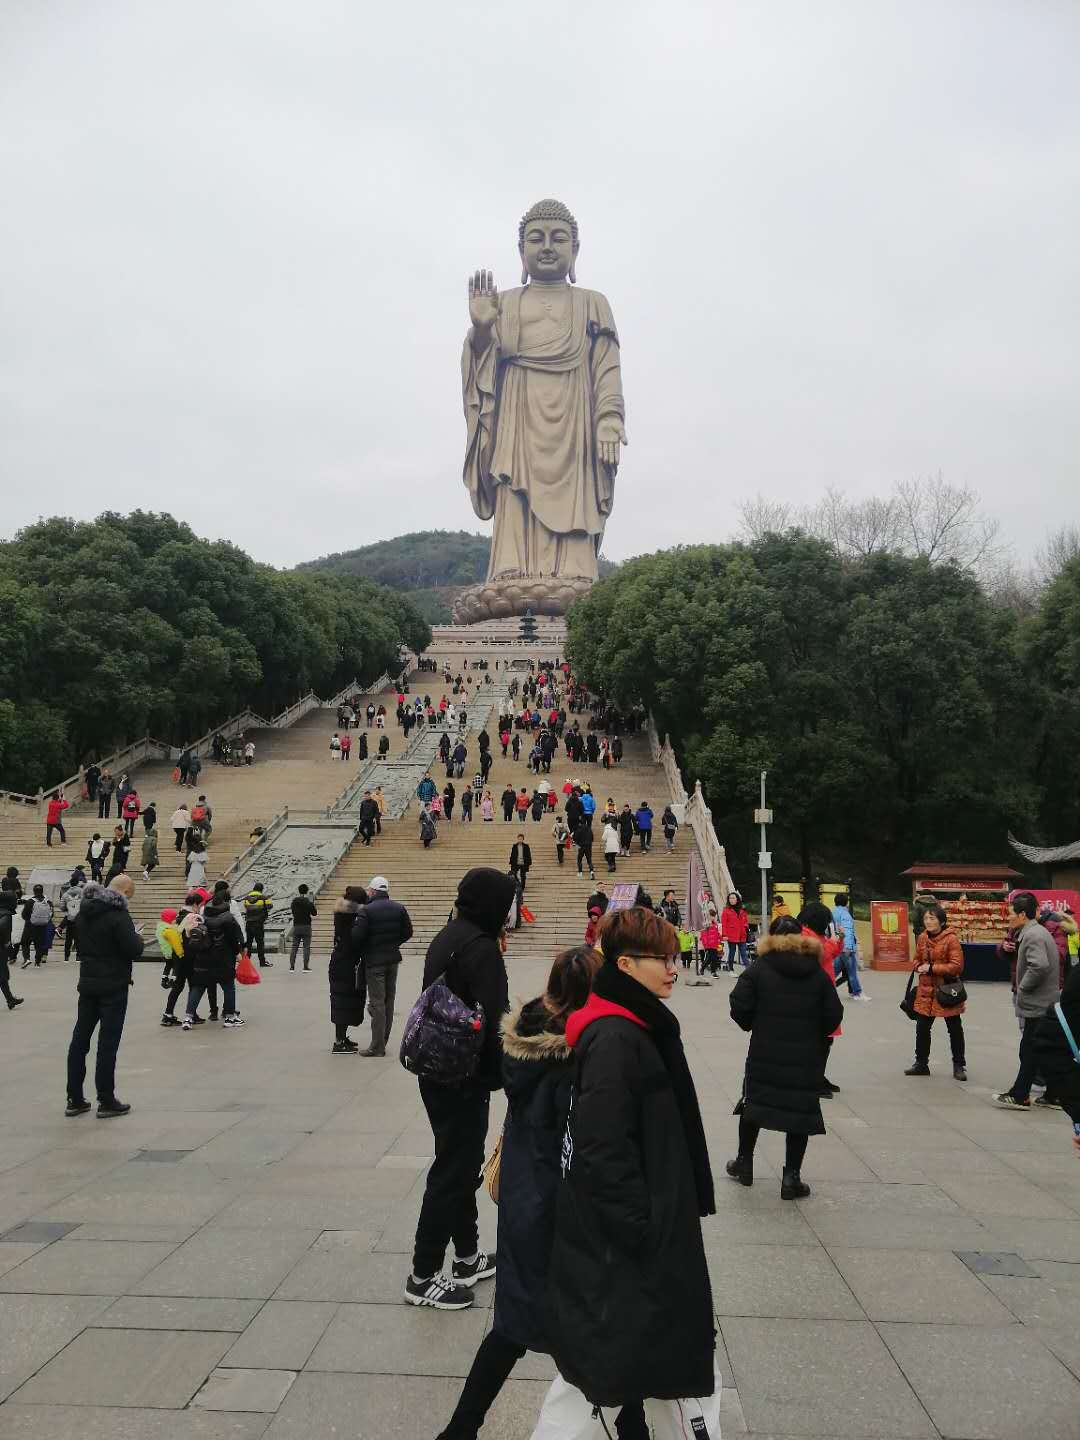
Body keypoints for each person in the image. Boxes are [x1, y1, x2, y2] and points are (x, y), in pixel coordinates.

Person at [544, 906, 716, 1418]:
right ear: (623, 966)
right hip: (631, 1239)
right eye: (660, 959)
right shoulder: (617, 1038)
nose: (673, 968)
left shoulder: (636, 1026)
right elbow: (603, 1148)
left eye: (674, 957)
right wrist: (642, 1229)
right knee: (610, 1369)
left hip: (641, 1227)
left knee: (617, 1371)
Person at [435, 946, 605, 1440]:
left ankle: (460, 1428)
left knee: (512, 1325)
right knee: (595, 1335)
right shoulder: (580, 1058)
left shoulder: (524, 1038)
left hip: (520, 1196)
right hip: (562, 1204)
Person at [406, 868, 517, 1310]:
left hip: (438, 1069)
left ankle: (468, 1257)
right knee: (453, 1169)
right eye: (506, 904)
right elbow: (495, 1020)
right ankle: (423, 1274)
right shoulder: (482, 949)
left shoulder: (449, 935)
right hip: (464, 1076)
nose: (509, 913)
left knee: (460, 1160)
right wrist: (510, 1079)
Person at [727, 914, 845, 1196]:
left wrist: (753, 1023)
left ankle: (744, 1163)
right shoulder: (816, 973)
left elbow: (739, 1003)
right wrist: (817, 1033)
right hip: (805, 1057)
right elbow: (833, 1013)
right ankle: (791, 1177)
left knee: (753, 1103)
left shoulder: (759, 968)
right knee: (799, 1111)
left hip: (765, 1052)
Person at [65, 875, 143, 1117]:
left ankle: (74, 1098)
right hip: (113, 983)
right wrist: (137, 936)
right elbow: (133, 949)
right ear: (125, 891)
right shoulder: (118, 915)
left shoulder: (84, 912)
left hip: (88, 982)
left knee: (80, 1040)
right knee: (107, 1044)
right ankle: (106, 1099)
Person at [993, 890, 1060, 1109]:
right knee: (1039, 1049)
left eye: (1011, 913)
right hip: (1043, 1003)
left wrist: (1023, 988)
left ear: (1022, 915)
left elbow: (1039, 966)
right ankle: (1054, 1094)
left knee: (1030, 1049)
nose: (1008, 917)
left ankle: (1020, 1094)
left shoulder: (1032, 935)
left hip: (1038, 1004)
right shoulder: (1035, 932)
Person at [904, 900, 967, 1081]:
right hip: (925, 990)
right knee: (922, 1028)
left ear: (941, 920)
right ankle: (921, 1063)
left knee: (954, 1028)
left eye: (932, 918)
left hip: (946, 990)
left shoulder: (951, 939)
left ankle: (959, 1065)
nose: (928, 922)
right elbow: (915, 959)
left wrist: (931, 968)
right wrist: (919, 966)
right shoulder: (923, 937)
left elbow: (956, 966)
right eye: (926, 919)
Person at [352, 876, 414, 1057]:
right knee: (389, 1001)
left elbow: (357, 936)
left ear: (372, 891)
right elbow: (408, 932)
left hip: (374, 962)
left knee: (377, 1002)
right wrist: (394, 943)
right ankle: (382, 1040)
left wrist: (367, 948)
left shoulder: (367, 910)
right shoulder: (399, 908)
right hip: (392, 959)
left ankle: (377, 1046)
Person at [182, 882, 246, 1030]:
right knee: (229, 987)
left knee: (197, 988)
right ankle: (230, 1017)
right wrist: (238, 953)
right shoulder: (228, 918)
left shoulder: (202, 917)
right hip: (223, 959)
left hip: (203, 958)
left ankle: (188, 1017)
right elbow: (232, 939)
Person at [329, 886, 368, 1052]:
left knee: (343, 999)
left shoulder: (344, 913)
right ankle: (339, 1042)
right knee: (342, 1000)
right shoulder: (352, 916)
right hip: (345, 964)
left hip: (341, 962)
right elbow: (354, 939)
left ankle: (342, 1037)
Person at [831, 892, 867, 1000]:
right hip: (846, 948)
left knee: (833, 972)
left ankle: (821, 988)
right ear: (846, 902)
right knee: (852, 972)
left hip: (837, 946)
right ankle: (857, 993)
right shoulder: (845, 914)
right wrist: (849, 947)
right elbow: (847, 931)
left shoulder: (833, 913)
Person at [0, 880, 23, 1009]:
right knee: (2, 974)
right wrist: (6, 942)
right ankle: (10, 999)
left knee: (2, 975)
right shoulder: (6, 914)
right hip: (1, 948)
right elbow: (2, 928)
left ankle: (10, 999)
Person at [242, 883, 274, 968]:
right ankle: (262, 962)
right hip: (258, 924)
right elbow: (270, 906)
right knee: (260, 943)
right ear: (261, 889)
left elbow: (246, 906)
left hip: (248, 923)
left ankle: (246, 961)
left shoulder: (247, 898)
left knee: (248, 943)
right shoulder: (263, 897)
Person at [20, 885, 53, 966]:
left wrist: (30, 920)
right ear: (42, 891)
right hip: (42, 927)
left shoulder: (30, 902)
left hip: (30, 926)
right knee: (39, 945)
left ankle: (26, 959)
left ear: (34, 891)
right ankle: (37, 962)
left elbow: (24, 914)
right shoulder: (48, 902)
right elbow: (51, 915)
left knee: (25, 943)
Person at [289, 884, 317, 971]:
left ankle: (292, 966)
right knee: (306, 947)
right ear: (307, 891)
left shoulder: (294, 901)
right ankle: (305, 966)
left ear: (299, 890)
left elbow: (293, 911)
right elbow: (314, 913)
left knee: (294, 946)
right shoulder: (308, 902)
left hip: (297, 925)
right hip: (306, 926)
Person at [59, 872, 86, 961]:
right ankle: (78, 956)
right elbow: (85, 904)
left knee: (68, 939)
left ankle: (66, 956)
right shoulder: (82, 892)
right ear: (78, 883)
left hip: (70, 918)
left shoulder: (66, 894)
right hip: (80, 918)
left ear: (70, 884)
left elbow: (62, 907)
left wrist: (68, 909)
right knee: (79, 938)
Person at [721, 891, 750, 969]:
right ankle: (730, 968)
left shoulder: (743, 910)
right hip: (731, 935)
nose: (731, 900)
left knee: (744, 953)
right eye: (730, 898)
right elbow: (724, 924)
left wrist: (746, 927)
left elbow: (746, 921)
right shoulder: (726, 910)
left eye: (733, 898)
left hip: (742, 934)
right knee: (732, 952)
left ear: (737, 899)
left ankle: (749, 969)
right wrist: (724, 935)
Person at [572, 816, 595, 880]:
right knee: (589, 860)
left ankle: (580, 872)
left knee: (579, 859)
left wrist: (576, 843)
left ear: (579, 823)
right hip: (588, 846)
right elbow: (592, 838)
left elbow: (575, 838)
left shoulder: (578, 829)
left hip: (581, 846)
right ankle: (591, 872)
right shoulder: (589, 829)